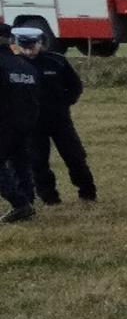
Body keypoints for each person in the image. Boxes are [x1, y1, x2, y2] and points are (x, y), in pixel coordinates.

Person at [14, 28, 94, 203]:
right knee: (37, 162)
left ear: (41, 43)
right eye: (24, 46)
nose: (28, 51)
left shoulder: (56, 62)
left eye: (32, 46)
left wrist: (64, 103)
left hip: (59, 120)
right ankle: (49, 198)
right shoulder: (15, 66)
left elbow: (75, 86)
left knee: (75, 157)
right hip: (32, 123)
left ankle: (87, 193)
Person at [0, 24, 41, 222]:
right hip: (25, 124)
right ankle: (28, 202)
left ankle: (20, 204)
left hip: (4, 123)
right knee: (20, 165)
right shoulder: (25, 66)